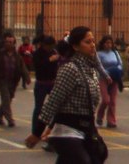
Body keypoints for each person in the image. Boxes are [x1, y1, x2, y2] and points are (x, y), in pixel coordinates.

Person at [38, 26, 104, 163]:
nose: (92, 45)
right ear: (75, 46)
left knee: (99, 155)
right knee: (82, 161)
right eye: (87, 42)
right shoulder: (70, 69)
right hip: (67, 131)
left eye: (93, 41)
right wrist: (38, 131)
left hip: (86, 128)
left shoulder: (90, 71)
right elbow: (54, 102)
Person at [0, 32, 30, 127]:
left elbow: (22, 67)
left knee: (8, 99)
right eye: (7, 42)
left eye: (11, 42)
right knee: (6, 98)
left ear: (14, 43)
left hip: (13, 80)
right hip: (2, 80)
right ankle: (10, 119)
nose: (9, 44)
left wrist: (27, 77)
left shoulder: (17, 55)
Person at [25, 35, 59, 150]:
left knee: (56, 106)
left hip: (52, 82)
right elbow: (38, 67)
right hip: (41, 83)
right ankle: (36, 131)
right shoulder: (38, 54)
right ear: (44, 45)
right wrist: (49, 60)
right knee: (39, 108)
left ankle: (52, 131)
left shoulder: (54, 52)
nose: (51, 48)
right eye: (49, 46)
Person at [96, 35, 123, 128]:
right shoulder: (99, 54)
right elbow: (98, 66)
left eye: (110, 43)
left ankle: (111, 120)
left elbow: (120, 64)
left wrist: (117, 70)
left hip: (114, 78)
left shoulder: (115, 53)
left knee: (113, 101)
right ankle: (100, 115)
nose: (108, 45)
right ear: (103, 44)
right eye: (106, 43)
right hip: (103, 77)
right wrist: (106, 72)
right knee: (106, 100)